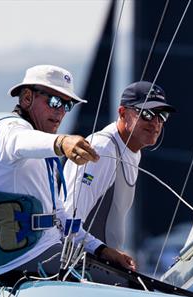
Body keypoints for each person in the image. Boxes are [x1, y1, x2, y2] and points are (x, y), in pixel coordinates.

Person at [0, 64, 134, 286]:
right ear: (27, 98)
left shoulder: (43, 153)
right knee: (128, 286)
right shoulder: (5, 131)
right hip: (25, 261)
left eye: (67, 105)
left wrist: (101, 249)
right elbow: (20, 141)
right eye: (54, 102)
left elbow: (61, 218)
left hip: (49, 254)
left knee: (129, 278)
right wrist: (62, 142)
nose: (60, 112)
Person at [63, 81, 177, 260]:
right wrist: (105, 252)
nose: (155, 122)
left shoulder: (133, 150)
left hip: (102, 264)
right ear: (123, 113)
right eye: (147, 114)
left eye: (162, 116)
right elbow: (67, 223)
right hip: (81, 266)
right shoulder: (102, 150)